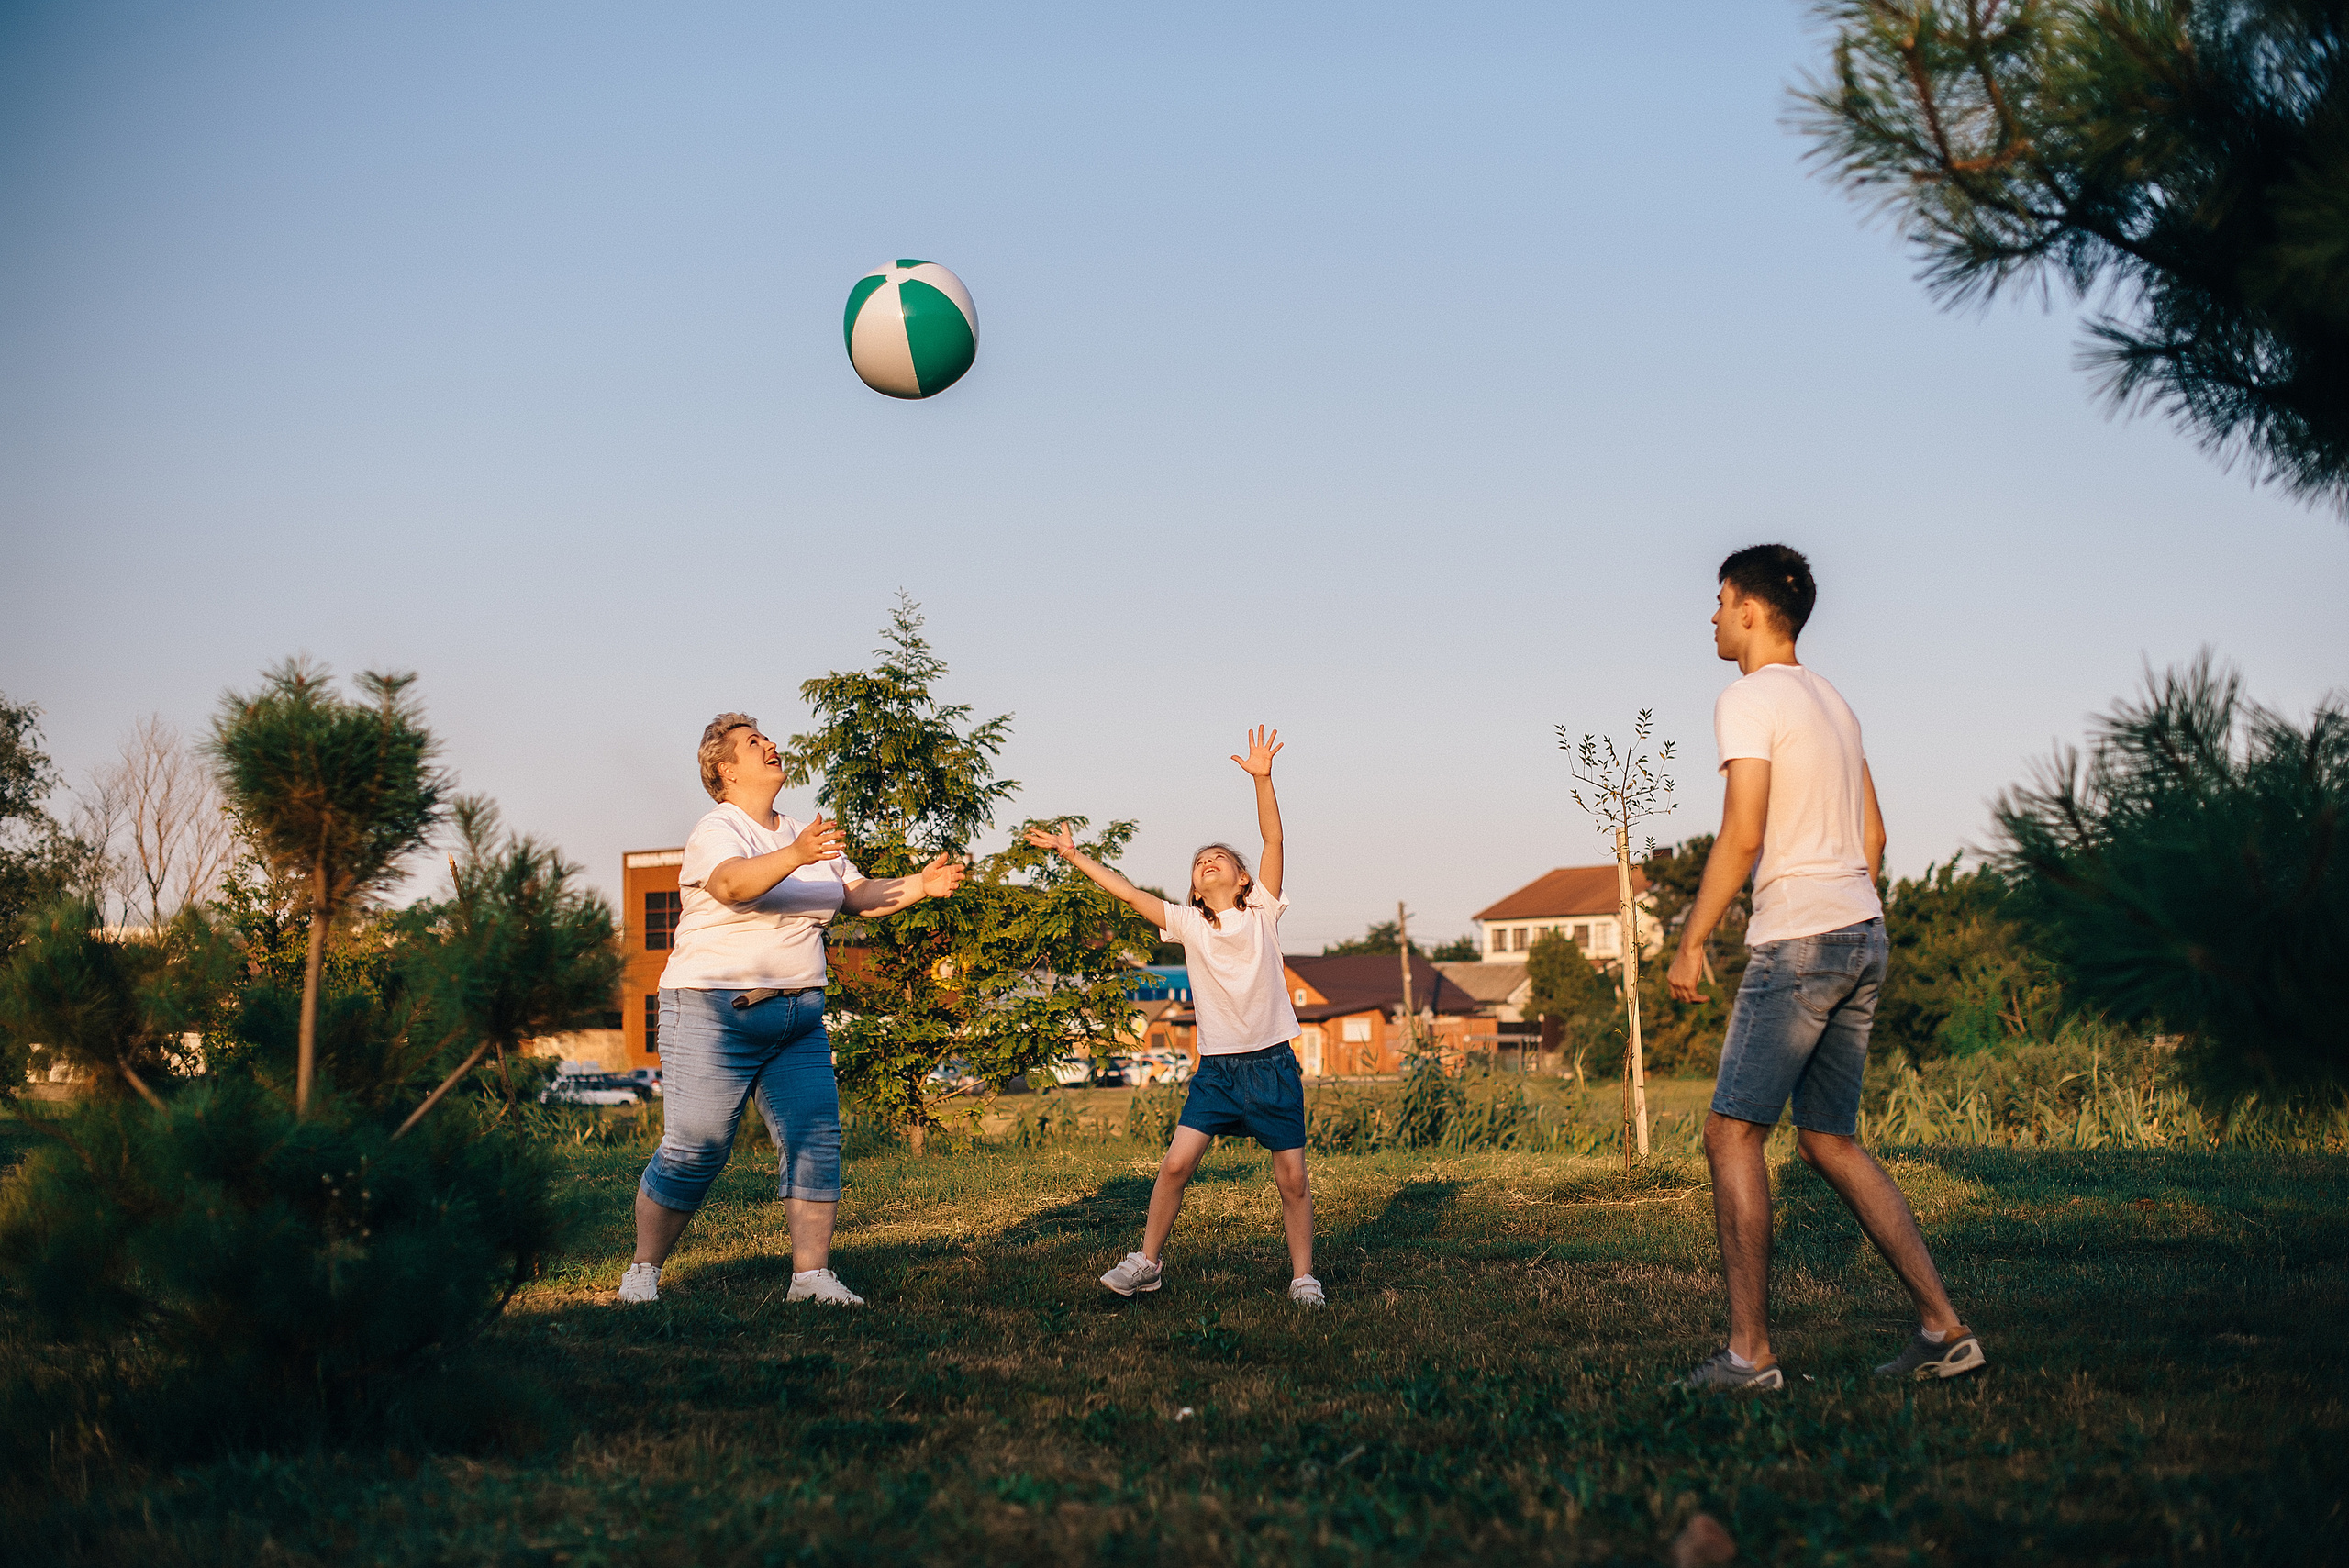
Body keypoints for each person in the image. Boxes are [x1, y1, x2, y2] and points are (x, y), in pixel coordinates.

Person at [1665, 546, 1985, 1389]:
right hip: (1862, 931)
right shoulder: (1835, 703)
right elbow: (1875, 838)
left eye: (1720, 599)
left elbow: (1743, 831)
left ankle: (1749, 1354)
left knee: (1732, 1131)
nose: (1712, 616)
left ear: (1750, 609)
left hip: (1802, 940)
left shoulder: (1747, 698)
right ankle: (1943, 1327)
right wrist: (1843, 908)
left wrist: (1694, 935)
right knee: (1828, 1139)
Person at [616, 713, 967, 1308]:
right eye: (754, 743)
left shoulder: (807, 833)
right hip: (713, 1013)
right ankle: (643, 1271)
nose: (771, 744)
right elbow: (730, 885)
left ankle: (811, 1277)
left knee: (815, 1139)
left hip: (798, 1019)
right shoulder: (718, 829)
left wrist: (919, 885)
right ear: (725, 770)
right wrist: (797, 854)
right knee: (696, 1147)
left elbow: (855, 894)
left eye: (768, 738)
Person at [1024, 727, 1323, 1308]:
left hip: (1271, 1066)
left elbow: (1273, 837)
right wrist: (1073, 854)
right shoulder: (1187, 925)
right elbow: (1128, 893)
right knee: (1176, 1165)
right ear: (1192, 887)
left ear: (1243, 880)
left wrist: (1263, 780)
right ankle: (1148, 1262)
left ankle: (1303, 1276)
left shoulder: (1262, 911)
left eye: (1220, 860)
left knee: (1292, 1180)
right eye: (1198, 863)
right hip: (1218, 1072)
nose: (1208, 862)